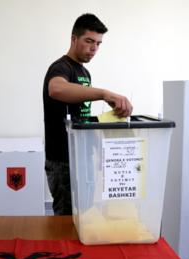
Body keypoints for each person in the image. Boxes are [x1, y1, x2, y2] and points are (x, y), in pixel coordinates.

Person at [42, 13, 133, 215]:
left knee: (85, 217)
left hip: (82, 157)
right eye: (89, 41)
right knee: (66, 221)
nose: (94, 48)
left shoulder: (84, 72)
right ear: (74, 39)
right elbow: (56, 89)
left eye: (98, 44)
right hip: (63, 161)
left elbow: (80, 117)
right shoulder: (61, 67)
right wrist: (103, 93)